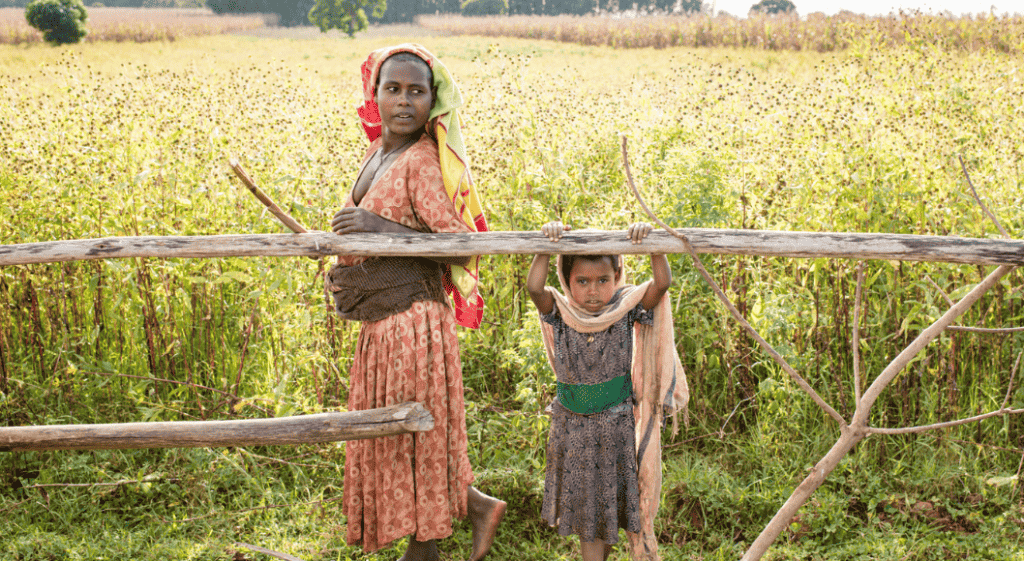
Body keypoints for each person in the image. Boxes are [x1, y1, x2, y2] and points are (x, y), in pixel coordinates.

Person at [325, 44, 505, 561]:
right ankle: (475, 508)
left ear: (433, 100)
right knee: (400, 435)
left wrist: (383, 228)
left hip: (415, 324)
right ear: (373, 95)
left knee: (413, 435)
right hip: (383, 325)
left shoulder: (423, 160)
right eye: (393, 89)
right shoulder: (377, 155)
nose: (404, 102)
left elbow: (460, 242)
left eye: (417, 91)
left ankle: (424, 551)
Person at [526, 221, 688, 561]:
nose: (593, 290)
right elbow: (534, 287)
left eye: (603, 280)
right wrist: (546, 244)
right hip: (572, 428)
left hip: (614, 426)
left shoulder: (623, 312)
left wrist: (651, 243)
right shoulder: (561, 313)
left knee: (607, 503)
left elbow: (662, 283)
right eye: (582, 281)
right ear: (567, 282)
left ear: (617, 277)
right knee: (587, 509)